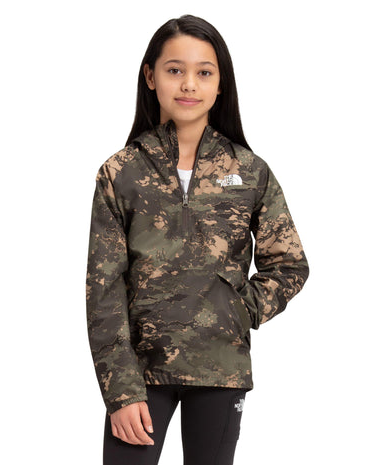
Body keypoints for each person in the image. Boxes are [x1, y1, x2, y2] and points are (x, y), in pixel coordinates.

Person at [86, 14, 309, 465]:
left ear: (221, 84)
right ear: (151, 76)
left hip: (220, 369)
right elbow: (103, 290)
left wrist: (239, 308)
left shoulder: (250, 172)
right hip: (141, 373)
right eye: (175, 70)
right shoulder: (120, 172)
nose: (189, 84)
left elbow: (288, 264)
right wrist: (120, 390)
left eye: (204, 72)